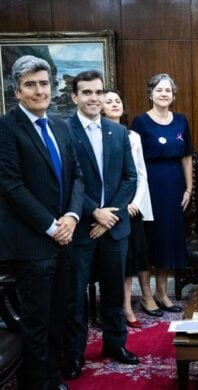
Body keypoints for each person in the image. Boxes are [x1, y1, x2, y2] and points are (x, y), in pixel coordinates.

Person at [0, 55, 83, 390]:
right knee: (37, 319)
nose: (39, 91)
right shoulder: (6, 128)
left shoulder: (61, 126)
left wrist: (73, 216)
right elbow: (10, 185)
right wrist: (51, 226)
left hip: (66, 235)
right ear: (17, 92)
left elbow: (77, 177)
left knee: (59, 314)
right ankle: (39, 383)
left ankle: (52, 375)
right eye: (30, 85)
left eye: (44, 83)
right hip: (32, 241)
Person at [64, 70, 138, 380]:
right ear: (75, 97)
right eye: (87, 93)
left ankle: (114, 345)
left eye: (98, 92)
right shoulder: (64, 130)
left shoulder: (118, 132)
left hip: (114, 228)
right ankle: (74, 355)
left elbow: (129, 178)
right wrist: (94, 212)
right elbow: (67, 181)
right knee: (75, 296)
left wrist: (110, 217)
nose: (94, 98)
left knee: (112, 291)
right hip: (80, 228)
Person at [131, 73, 192, 311]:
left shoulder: (181, 121)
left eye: (168, 91)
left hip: (175, 185)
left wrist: (188, 188)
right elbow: (134, 159)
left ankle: (162, 293)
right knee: (149, 240)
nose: (164, 94)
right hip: (149, 186)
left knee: (168, 238)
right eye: (159, 90)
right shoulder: (140, 122)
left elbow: (187, 158)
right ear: (150, 94)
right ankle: (146, 296)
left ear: (173, 95)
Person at [102, 89, 158, 327]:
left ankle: (126, 308)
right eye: (109, 101)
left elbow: (140, 174)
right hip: (104, 211)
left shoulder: (132, 135)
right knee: (110, 265)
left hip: (131, 209)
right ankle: (110, 311)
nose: (115, 104)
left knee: (128, 264)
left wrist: (135, 202)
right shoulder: (95, 134)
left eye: (118, 100)